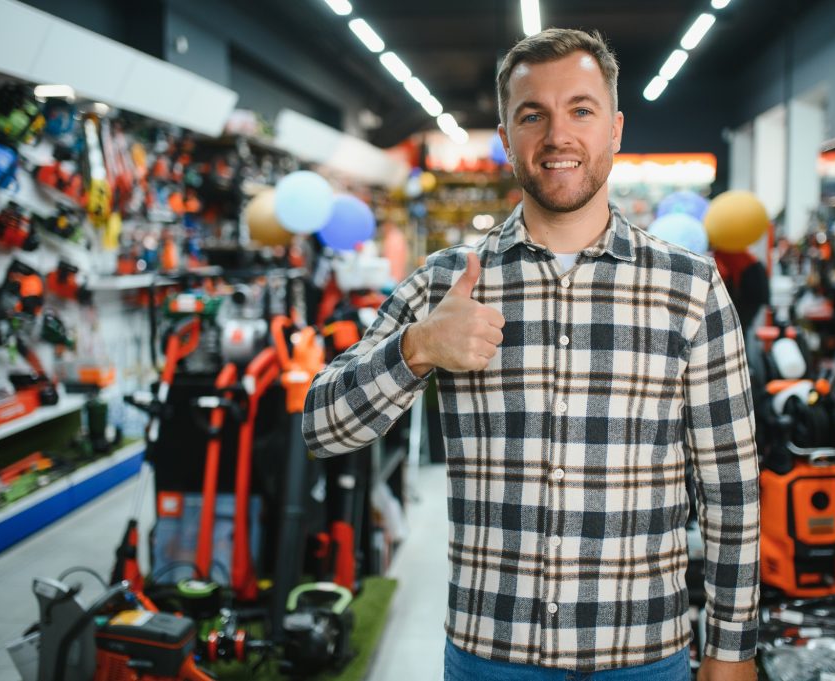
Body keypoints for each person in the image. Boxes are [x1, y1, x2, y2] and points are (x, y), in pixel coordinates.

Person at [303, 28, 759, 681]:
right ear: (507, 137)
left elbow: (731, 487)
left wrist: (732, 645)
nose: (558, 134)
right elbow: (321, 426)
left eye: (580, 109)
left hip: (643, 654)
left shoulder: (689, 286)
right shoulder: (445, 282)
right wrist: (419, 345)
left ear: (615, 128)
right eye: (532, 114)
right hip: (492, 654)